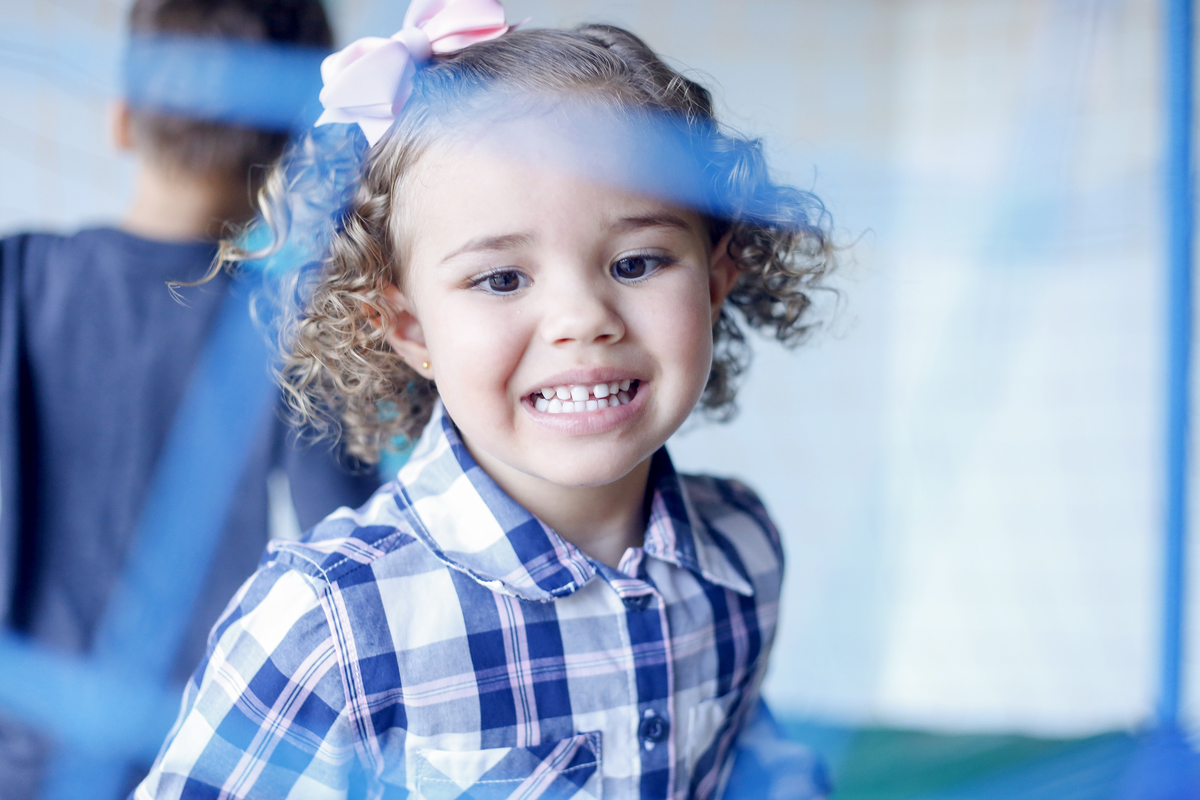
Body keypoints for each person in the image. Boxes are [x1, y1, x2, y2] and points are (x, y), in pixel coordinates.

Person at [136, 0, 834, 797]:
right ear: (408, 327)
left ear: (715, 280)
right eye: (502, 279)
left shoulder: (743, 550)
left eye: (637, 262)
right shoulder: (330, 624)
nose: (582, 320)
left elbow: (745, 755)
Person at [0, 0, 379, 796]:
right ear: (285, 147)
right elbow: (351, 539)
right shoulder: (286, 322)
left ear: (124, 119)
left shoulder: (18, 274)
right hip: (195, 755)